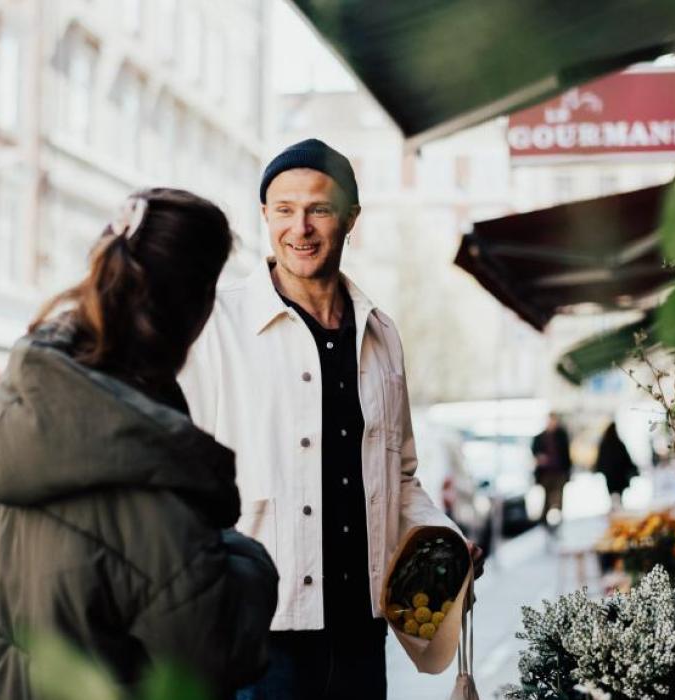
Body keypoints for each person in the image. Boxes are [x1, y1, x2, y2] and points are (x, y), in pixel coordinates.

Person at [179, 139, 484, 700]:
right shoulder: (215, 325)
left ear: (350, 219)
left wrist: (447, 539)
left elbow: (402, 476)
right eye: (284, 210)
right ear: (266, 217)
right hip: (259, 632)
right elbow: (179, 471)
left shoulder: (381, 334)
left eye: (318, 209)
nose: (301, 228)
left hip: (362, 630)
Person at [0, 189, 278, 700]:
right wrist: (248, 558)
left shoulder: (13, 410)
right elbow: (223, 648)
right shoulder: (158, 483)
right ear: (197, 309)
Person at [531, 412, 572, 527]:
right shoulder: (540, 437)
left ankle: (557, 516)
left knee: (558, 495)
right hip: (546, 473)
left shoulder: (562, 436)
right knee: (547, 496)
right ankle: (544, 520)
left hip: (559, 472)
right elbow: (535, 452)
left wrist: (568, 472)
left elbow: (566, 455)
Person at [594, 421, 639, 510]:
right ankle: (618, 511)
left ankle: (616, 510)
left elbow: (601, 460)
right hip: (619, 476)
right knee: (618, 495)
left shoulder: (604, 444)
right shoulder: (618, 443)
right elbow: (626, 459)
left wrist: (600, 469)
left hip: (610, 476)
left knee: (613, 494)